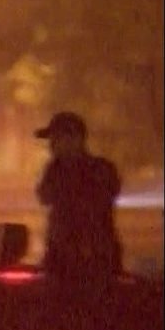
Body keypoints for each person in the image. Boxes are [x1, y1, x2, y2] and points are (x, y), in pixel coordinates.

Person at [33, 111, 123, 284]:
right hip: (61, 260)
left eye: (56, 139)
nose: (51, 146)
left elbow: (96, 208)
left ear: (75, 138)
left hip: (94, 261)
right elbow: (44, 196)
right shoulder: (56, 169)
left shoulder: (100, 170)